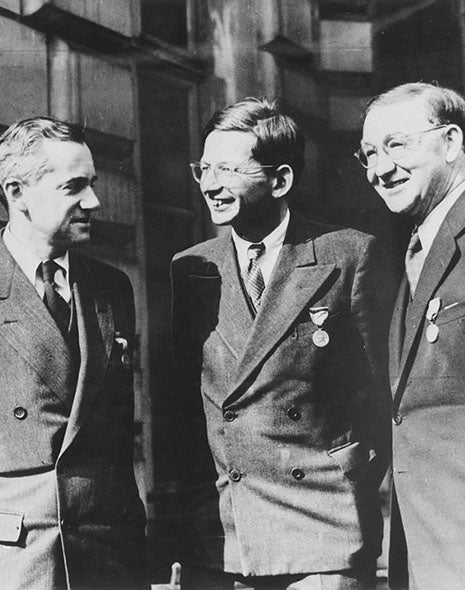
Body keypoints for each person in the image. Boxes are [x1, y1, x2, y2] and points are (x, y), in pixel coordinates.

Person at [0, 116, 147, 589]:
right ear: (17, 193)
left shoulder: (110, 288)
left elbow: (118, 433)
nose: (93, 202)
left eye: (93, 184)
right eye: (74, 187)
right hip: (12, 559)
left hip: (107, 555)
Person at [170, 97, 395, 589]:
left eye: (229, 170)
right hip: (230, 530)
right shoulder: (191, 269)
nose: (210, 185)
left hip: (324, 523)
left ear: (280, 181)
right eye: (204, 169)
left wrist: (349, 473)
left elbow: (383, 394)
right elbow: (183, 410)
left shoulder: (347, 254)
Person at [358, 82, 465, 589]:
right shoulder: (413, 250)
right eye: (369, 154)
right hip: (428, 546)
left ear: (450, 141)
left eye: (397, 145)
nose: (381, 168)